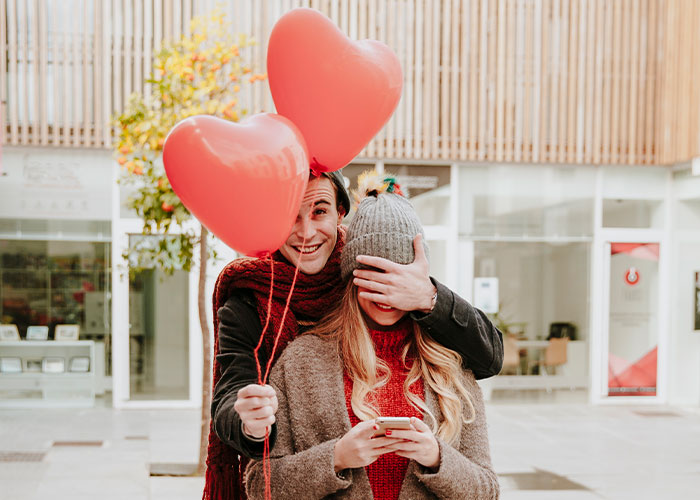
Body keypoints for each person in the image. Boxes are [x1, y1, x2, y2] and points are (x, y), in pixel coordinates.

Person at [204, 170, 503, 498]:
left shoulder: (447, 354)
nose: (384, 290)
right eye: (372, 276)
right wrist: (331, 456)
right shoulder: (276, 330)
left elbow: (486, 486)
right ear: (351, 276)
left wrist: (437, 458)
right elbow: (258, 475)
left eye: (397, 277)